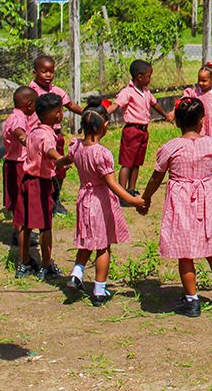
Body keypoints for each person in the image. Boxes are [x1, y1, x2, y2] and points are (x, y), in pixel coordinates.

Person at [139, 97, 212, 317]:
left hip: (180, 202)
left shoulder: (170, 147)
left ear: (177, 122)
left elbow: (156, 178)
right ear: (202, 120)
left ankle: (192, 300)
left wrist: (145, 199)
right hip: (206, 201)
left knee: (185, 254)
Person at [66, 97, 145, 307]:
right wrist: (133, 200)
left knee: (86, 241)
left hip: (83, 199)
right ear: (106, 126)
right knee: (102, 246)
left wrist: (54, 161)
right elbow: (112, 184)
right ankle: (100, 291)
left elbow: (66, 160)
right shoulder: (101, 154)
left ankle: (77, 273)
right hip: (99, 202)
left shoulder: (76, 147)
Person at [14, 93, 72, 280]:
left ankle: (24, 263)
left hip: (26, 180)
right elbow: (50, 151)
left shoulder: (33, 131)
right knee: (45, 226)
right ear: (57, 114)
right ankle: (46, 265)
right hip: (41, 185)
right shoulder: (47, 136)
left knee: (25, 225)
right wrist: (64, 159)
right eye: (61, 110)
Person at [106, 59, 172, 200]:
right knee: (127, 163)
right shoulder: (127, 92)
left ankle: (131, 189)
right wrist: (103, 114)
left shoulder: (146, 92)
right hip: (132, 130)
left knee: (136, 162)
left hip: (143, 130)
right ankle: (122, 194)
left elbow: (154, 104)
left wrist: (166, 115)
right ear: (139, 77)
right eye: (149, 76)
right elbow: (115, 106)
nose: (150, 79)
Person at [28, 55, 83, 216]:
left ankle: (55, 199)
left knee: (59, 169)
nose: (48, 75)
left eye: (51, 71)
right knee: (40, 169)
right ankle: (40, 200)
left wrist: (86, 112)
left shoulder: (57, 91)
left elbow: (70, 105)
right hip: (38, 137)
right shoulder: (31, 92)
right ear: (35, 72)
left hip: (55, 135)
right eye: (43, 71)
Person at [3, 86, 38, 246]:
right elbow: (19, 134)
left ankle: (20, 231)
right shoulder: (18, 119)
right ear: (30, 104)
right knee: (20, 200)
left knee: (19, 199)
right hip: (18, 165)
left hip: (13, 163)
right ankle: (20, 234)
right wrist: (34, 143)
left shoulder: (14, 116)